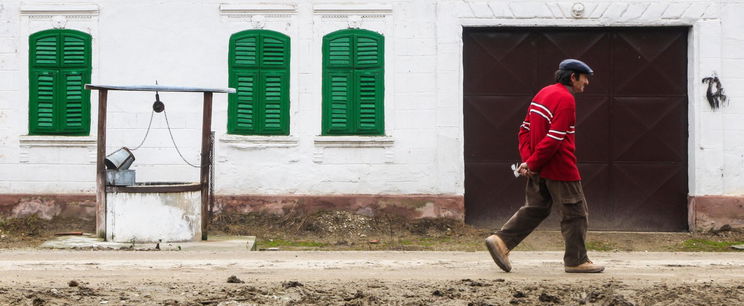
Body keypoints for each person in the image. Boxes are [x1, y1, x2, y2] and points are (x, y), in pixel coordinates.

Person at [484, 59, 605, 273]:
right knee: (576, 213)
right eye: (584, 77)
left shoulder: (543, 93)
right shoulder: (566, 99)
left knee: (535, 208)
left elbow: (524, 130)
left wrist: (530, 161)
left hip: (539, 167)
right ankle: (576, 261)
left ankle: (501, 241)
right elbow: (555, 139)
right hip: (560, 168)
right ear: (572, 77)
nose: (587, 82)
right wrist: (532, 162)